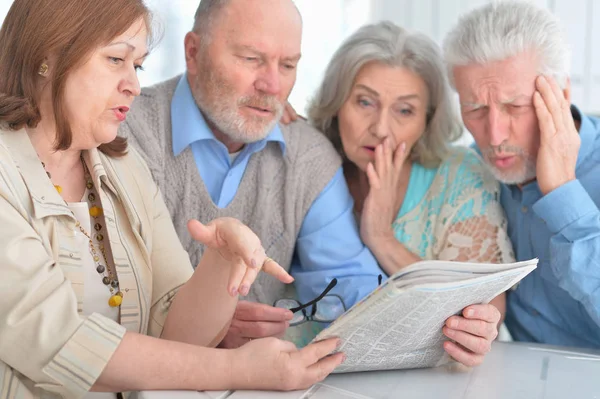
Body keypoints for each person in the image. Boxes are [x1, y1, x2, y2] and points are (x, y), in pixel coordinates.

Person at [0, 1, 345, 397]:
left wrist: (222, 260)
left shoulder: (120, 163)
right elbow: (62, 344)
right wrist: (238, 369)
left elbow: (174, 330)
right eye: (116, 59)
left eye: (138, 66)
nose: (133, 84)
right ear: (47, 56)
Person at [119, 0, 384, 349]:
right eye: (251, 59)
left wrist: (441, 323)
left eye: (287, 65)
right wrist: (205, 323)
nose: (272, 85)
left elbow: (352, 288)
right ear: (193, 52)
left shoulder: (308, 157)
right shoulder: (124, 131)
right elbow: (110, 302)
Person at [302, 21, 515, 366]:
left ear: (427, 120)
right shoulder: (310, 161)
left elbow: (489, 306)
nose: (381, 128)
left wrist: (381, 238)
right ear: (337, 102)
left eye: (404, 110)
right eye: (365, 102)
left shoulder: (459, 174)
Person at [443, 1, 600, 349]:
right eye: (475, 109)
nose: (495, 137)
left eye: (515, 106)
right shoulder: (471, 172)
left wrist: (562, 190)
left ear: (560, 95)